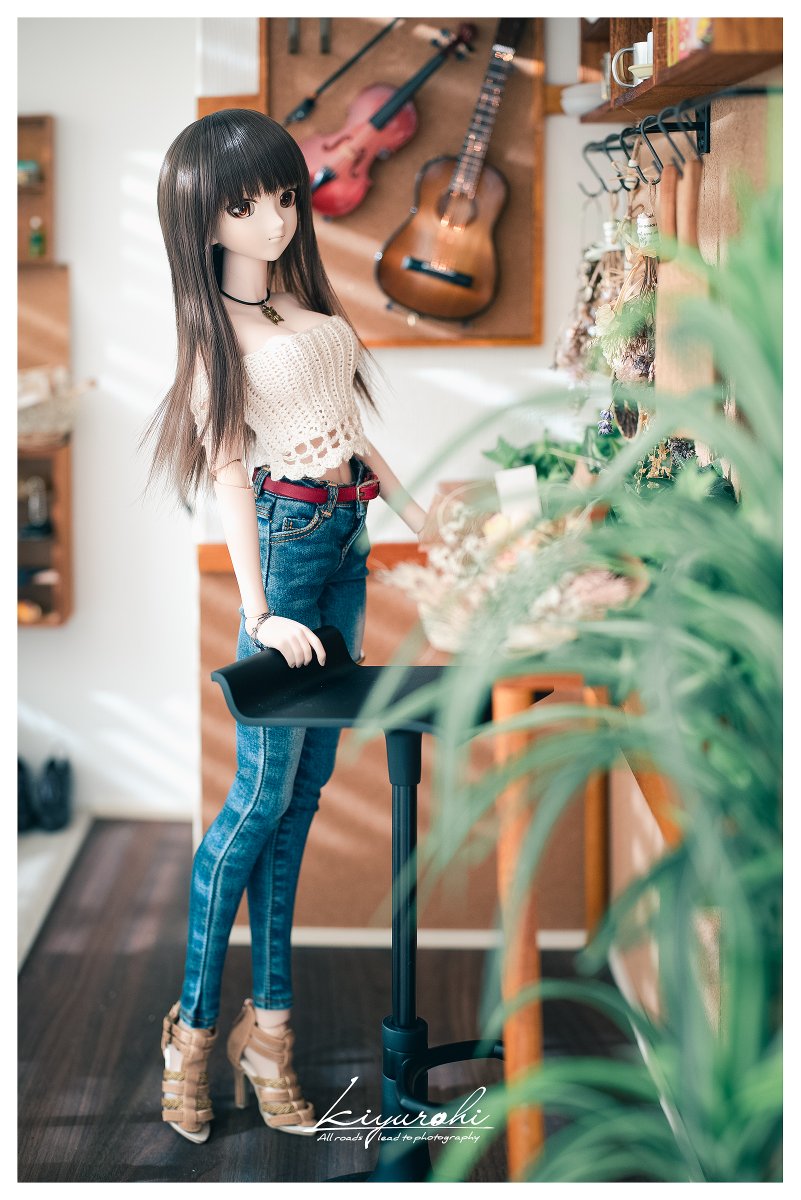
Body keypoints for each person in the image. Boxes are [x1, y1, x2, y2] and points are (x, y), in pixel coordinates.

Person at [140, 109, 430, 1143]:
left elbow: (348, 431)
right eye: (244, 205)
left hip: (345, 542)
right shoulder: (216, 339)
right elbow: (230, 476)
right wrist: (260, 612)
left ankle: (271, 1035)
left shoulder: (300, 306)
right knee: (257, 800)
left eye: (281, 195)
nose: (273, 217)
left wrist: (419, 515)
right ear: (202, 220)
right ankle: (193, 1032)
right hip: (288, 547)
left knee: (301, 799)